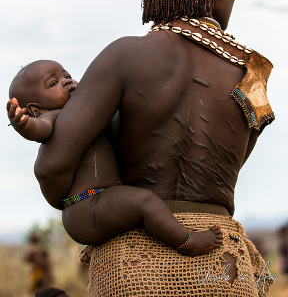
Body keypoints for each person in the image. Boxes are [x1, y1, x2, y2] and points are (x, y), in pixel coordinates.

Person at [24, 0, 276, 296]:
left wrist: (81, 203)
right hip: (221, 266)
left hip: (131, 264)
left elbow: (53, 166)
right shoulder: (254, 73)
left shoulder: (125, 56)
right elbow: (233, 164)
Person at [7, 60, 223, 255]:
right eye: (53, 83)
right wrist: (22, 124)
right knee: (145, 202)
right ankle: (187, 242)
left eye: (66, 75)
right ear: (36, 109)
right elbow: (39, 129)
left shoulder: (86, 115)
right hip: (87, 205)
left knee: (140, 201)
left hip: (97, 202)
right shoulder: (54, 117)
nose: (66, 81)